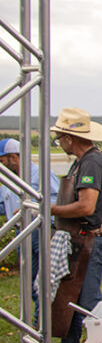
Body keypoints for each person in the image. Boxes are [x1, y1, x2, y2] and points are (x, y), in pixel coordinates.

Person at [49, 109, 102, 343]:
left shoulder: (91, 163)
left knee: (86, 302)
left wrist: (51, 210)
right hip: (79, 240)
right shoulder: (83, 162)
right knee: (70, 300)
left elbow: (86, 205)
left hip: (88, 241)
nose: (59, 143)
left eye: (60, 138)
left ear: (69, 138)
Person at [0, 138, 60, 323]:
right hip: (21, 232)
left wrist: (32, 207)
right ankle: (38, 318)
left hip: (40, 231)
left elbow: (59, 199)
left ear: (13, 157)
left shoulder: (39, 174)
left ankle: (46, 319)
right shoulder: (8, 181)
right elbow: (4, 205)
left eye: (2, 162)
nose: (1, 167)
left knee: (44, 278)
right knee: (29, 278)